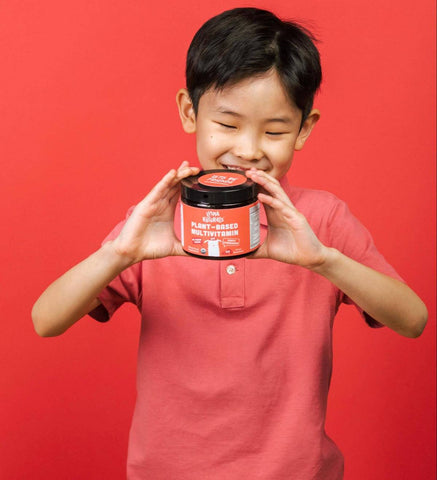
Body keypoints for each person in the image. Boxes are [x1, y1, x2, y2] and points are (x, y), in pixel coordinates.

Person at [31, 7, 428, 480]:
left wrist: (323, 260)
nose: (247, 148)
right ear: (188, 112)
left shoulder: (320, 220)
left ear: (304, 128)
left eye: (275, 130)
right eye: (227, 124)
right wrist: (121, 252)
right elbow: (45, 320)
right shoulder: (155, 224)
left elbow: (413, 320)